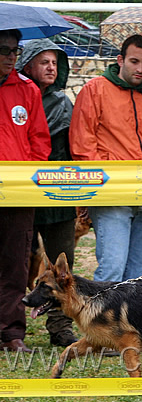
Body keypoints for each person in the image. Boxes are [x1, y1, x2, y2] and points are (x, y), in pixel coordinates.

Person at [69, 35, 142, 283]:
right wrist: (99, 187)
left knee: (140, 273)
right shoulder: (94, 89)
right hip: (113, 194)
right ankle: (102, 322)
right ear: (120, 60)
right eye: (134, 61)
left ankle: (129, 322)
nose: (140, 69)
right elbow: (82, 144)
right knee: (112, 269)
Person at [15, 38, 78, 347]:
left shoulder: (64, 103)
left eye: (54, 62)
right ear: (27, 65)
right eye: (44, 62)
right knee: (15, 264)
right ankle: (11, 329)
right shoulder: (16, 98)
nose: (51, 67)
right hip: (21, 188)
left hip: (60, 189)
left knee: (62, 264)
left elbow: (73, 145)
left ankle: (61, 328)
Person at [0, 29, 51, 352]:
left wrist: (24, 178)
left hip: (18, 193)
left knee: (15, 263)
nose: (10, 56)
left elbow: (39, 141)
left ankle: (11, 334)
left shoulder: (27, 89)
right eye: (4, 49)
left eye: (15, 51)